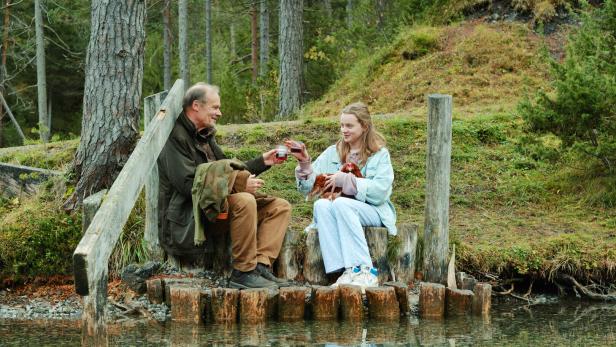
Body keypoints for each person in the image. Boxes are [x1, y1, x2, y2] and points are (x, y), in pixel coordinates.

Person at [158, 82, 291, 289]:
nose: (219, 113)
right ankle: (243, 273)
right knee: (244, 200)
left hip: (215, 207)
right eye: (215, 107)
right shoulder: (174, 137)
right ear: (196, 106)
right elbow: (187, 184)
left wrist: (262, 162)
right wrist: (237, 185)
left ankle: (260, 267)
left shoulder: (204, 136)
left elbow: (227, 171)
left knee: (279, 207)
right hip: (191, 217)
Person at [287, 102, 396, 290]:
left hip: (374, 211)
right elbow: (308, 187)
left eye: (349, 126)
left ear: (364, 126)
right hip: (343, 209)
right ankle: (344, 271)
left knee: (342, 204)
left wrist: (348, 181)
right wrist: (305, 163)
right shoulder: (333, 152)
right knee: (321, 205)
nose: (344, 130)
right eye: (342, 125)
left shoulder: (379, 154)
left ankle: (365, 270)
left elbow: (381, 192)